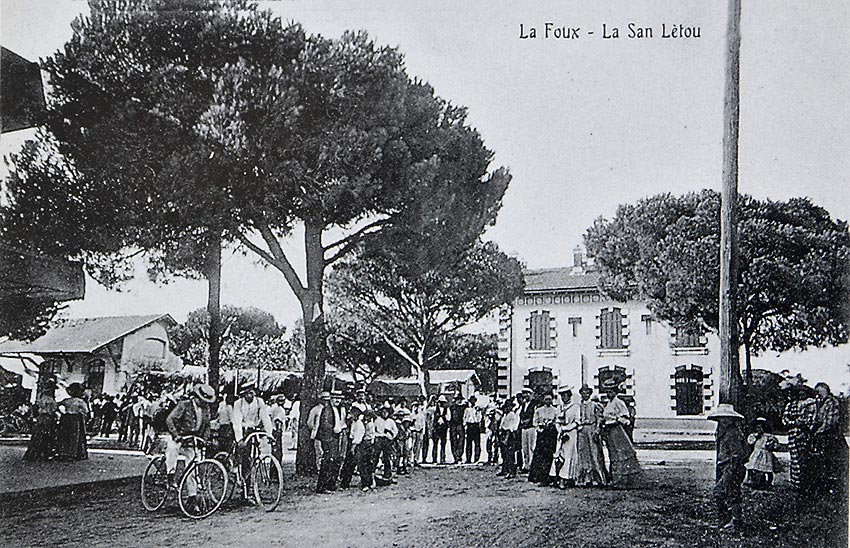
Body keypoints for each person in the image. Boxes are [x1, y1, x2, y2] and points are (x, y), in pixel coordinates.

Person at [164, 383, 216, 514]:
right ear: (196, 397)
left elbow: (207, 426)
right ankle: (170, 475)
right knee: (172, 449)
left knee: (193, 469)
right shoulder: (184, 405)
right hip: (180, 437)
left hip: (193, 441)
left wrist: (204, 439)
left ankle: (192, 499)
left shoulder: (205, 409)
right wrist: (176, 435)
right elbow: (170, 419)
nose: (204, 403)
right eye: (202, 400)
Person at [708, 403, 746, 530]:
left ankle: (735, 521)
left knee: (726, 493)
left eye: (726, 418)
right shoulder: (721, 432)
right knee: (726, 493)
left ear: (732, 419)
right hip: (722, 466)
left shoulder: (733, 433)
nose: (723, 421)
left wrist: (731, 471)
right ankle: (726, 520)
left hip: (732, 467)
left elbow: (738, 454)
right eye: (721, 418)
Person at [233, 386, 273, 497]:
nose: (249, 396)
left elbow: (265, 418)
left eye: (251, 393)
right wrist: (239, 439)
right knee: (244, 458)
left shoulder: (259, 402)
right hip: (242, 430)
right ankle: (243, 485)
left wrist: (269, 434)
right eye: (246, 393)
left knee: (255, 455)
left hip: (254, 430)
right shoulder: (238, 403)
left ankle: (251, 485)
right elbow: (236, 421)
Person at [601, 380, 642, 487]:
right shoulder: (609, 403)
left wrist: (616, 420)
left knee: (621, 453)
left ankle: (624, 479)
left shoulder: (618, 402)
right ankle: (615, 478)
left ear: (615, 392)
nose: (608, 394)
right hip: (609, 431)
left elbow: (625, 417)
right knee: (613, 454)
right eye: (607, 392)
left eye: (610, 392)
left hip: (617, 431)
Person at [781, 376, 818, 493]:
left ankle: (804, 483)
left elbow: (807, 420)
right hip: (792, 435)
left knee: (804, 458)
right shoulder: (791, 405)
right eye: (799, 392)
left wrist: (796, 422)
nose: (801, 394)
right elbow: (784, 420)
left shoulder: (810, 404)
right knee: (794, 458)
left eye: (804, 392)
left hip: (804, 435)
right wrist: (795, 422)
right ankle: (795, 482)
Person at [810, 382, 848, 495]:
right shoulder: (819, 403)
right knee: (822, 462)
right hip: (822, 435)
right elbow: (817, 418)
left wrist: (818, 431)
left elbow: (830, 421)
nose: (817, 394)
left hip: (831, 435)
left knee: (833, 461)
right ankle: (823, 486)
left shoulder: (832, 402)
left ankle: (834, 487)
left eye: (819, 391)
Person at [309, 391, 343, 493]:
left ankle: (330, 484)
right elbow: (312, 424)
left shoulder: (334, 410)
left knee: (333, 461)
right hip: (325, 438)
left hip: (333, 438)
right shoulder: (320, 410)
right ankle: (322, 486)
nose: (327, 402)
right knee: (326, 461)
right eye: (325, 400)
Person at [575, 385, 608, 487]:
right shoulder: (579, 406)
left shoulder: (594, 405)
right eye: (583, 393)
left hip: (591, 429)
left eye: (587, 393)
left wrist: (597, 430)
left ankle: (599, 479)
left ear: (589, 394)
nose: (585, 395)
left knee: (594, 453)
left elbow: (599, 418)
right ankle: (585, 479)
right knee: (583, 454)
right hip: (582, 430)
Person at [551, 387, 580, 489]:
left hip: (571, 434)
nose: (563, 397)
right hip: (561, 434)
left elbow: (577, 421)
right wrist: (559, 429)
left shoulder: (575, 407)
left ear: (569, 395)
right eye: (561, 395)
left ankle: (566, 478)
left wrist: (566, 428)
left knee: (568, 456)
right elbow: (557, 421)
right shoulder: (559, 408)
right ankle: (557, 477)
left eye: (565, 395)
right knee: (558, 454)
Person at [24, 379, 58, 461]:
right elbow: (52, 410)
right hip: (47, 417)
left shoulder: (41, 397)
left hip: (42, 417)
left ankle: (38, 453)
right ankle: (43, 454)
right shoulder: (49, 399)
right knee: (46, 435)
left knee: (40, 435)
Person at [528, 393, 558, 484]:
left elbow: (557, 421)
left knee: (549, 455)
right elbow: (535, 422)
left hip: (551, 435)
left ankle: (548, 476)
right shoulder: (539, 410)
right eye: (546, 399)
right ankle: (538, 476)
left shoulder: (555, 410)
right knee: (540, 455)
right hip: (542, 435)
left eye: (549, 399)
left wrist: (552, 424)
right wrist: (539, 428)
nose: (548, 401)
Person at [55, 382, 89, 461]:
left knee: (64, 436)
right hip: (75, 418)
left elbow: (57, 406)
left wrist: (61, 413)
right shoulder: (80, 401)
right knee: (74, 437)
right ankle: (72, 454)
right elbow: (85, 411)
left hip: (66, 418)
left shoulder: (66, 400)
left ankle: (62, 452)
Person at [744, 417, 779, 489]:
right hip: (756, 453)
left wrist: (770, 445)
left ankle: (769, 482)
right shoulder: (755, 435)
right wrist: (755, 438)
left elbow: (775, 444)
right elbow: (750, 442)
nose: (759, 429)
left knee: (768, 469)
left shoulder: (768, 436)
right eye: (757, 428)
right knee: (753, 467)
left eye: (761, 427)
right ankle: (754, 481)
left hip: (766, 454)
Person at [373, 404, 398, 483]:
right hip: (379, 439)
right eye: (383, 412)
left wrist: (390, 435)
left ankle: (387, 473)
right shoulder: (377, 420)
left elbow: (395, 431)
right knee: (375, 456)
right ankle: (372, 473)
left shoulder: (391, 422)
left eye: (386, 412)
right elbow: (374, 430)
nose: (384, 413)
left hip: (387, 440)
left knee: (386, 457)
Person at [497, 399, 519, 478]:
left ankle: (511, 471)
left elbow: (510, 428)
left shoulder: (512, 415)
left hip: (509, 435)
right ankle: (505, 470)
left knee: (510, 454)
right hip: (503, 434)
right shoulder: (505, 415)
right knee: (504, 454)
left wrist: (506, 438)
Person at [518, 388, 536, 473]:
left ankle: (531, 465)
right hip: (524, 428)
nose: (525, 395)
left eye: (527, 393)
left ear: (531, 394)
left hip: (531, 428)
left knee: (531, 447)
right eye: (524, 394)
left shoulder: (534, 404)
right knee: (524, 447)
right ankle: (526, 465)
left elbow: (533, 416)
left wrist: (528, 421)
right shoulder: (523, 405)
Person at [431, 396, 450, 464]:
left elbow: (448, 418)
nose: (441, 404)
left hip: (443, 428)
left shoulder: (446, 410)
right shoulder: (434, 409)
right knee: (435, 443)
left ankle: (442, 459)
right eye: (440, 402)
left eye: (443, 403)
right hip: (436, 427)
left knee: (443, 443)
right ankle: (434, 459)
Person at [463, 396, 482, 464]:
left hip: (475, 425)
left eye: (473, 400)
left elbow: (479, 418)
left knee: (477, 443)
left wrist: (477, 412)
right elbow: (465, 418)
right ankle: (468, 458)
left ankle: (476, 458)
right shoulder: (467, 409)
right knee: (468, 444)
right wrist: (465, 426)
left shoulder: (477, 409)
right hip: (469, 425)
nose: (472, 402)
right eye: (471, 401)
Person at [449, 396, 466, 464]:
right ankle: (455, 457)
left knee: (461, 441)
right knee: (454, 441)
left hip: (460, 425)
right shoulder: (452, 408)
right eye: (458, 399)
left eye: (460, 399)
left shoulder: (463, 407)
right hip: (453, 425)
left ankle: (459, 456)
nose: (459, 401)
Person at [410, 400, 426, 467]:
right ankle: (410, 460)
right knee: (412, 446)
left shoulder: (421, 415)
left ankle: (416, 460)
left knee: (418, 446)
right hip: (413, 431)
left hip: (419, 431)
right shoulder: (411, 415)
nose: (416, 408)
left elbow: (423, 424)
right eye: (414, 406)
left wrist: (423, 432)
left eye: (417, 406)